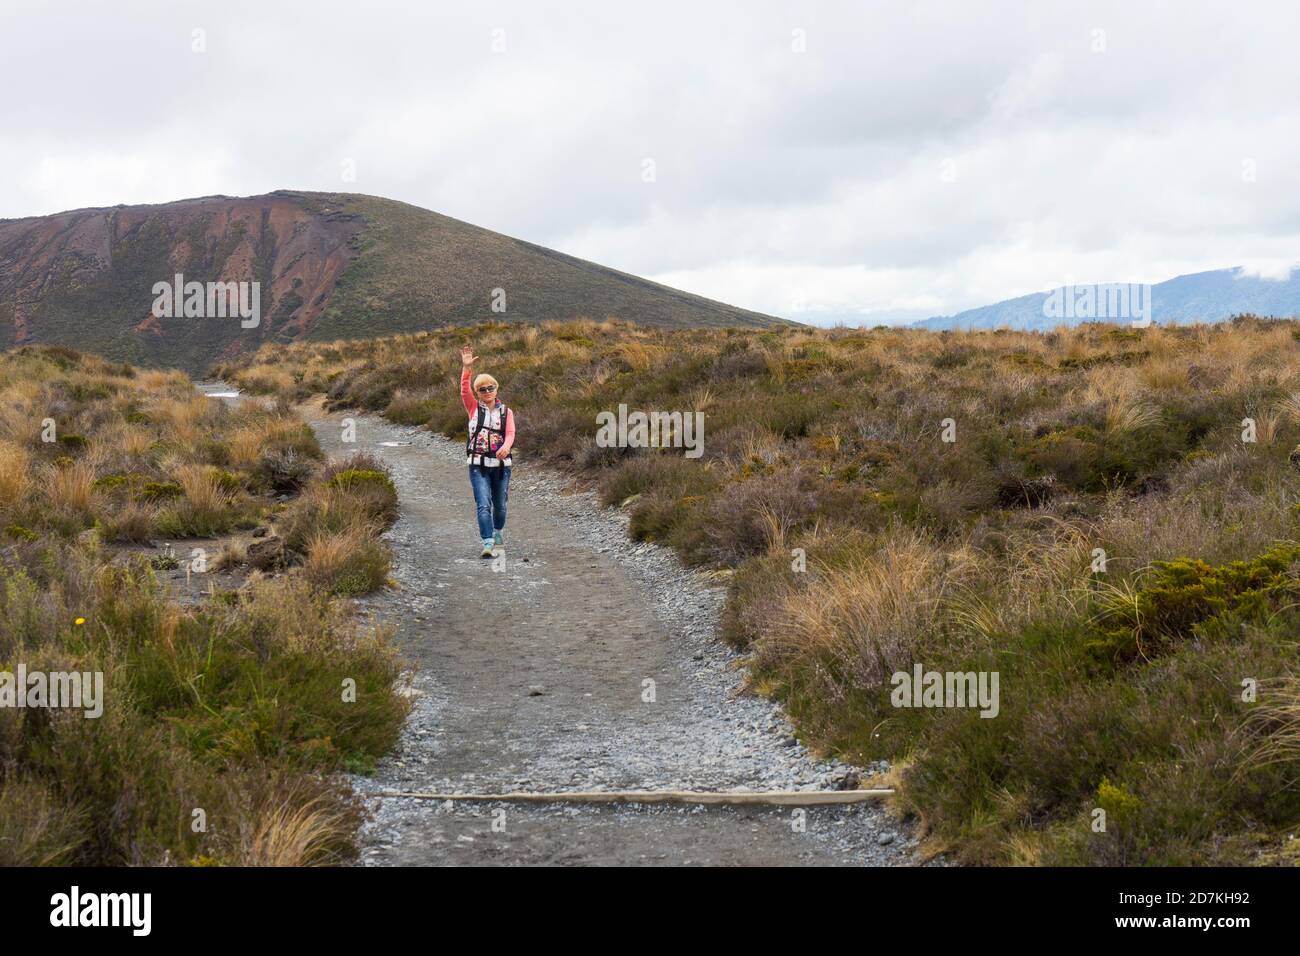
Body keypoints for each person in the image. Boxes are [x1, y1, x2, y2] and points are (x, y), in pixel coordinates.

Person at [459, 345, 515, 557]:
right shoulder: (473, 408)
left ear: (496, 389)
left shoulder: (506, 412)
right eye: (482, 389)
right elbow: (464, 390)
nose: (487, 392)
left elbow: (510, 433)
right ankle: (488, 543)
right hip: (477, 466)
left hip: (501, 466)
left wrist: (506, 447)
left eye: (490, 387)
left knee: (500, 506)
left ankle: (498, 531)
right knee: (483, 504)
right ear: (478, 393)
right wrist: (466, 369)